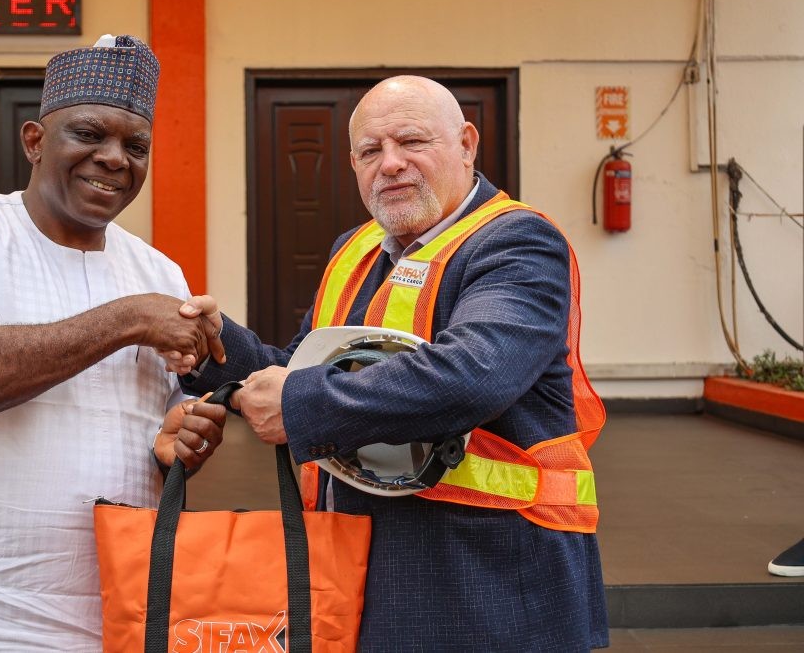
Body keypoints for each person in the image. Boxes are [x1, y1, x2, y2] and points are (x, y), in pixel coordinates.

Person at [172, 75, 609, 651]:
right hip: (364, 571)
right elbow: (302, 366)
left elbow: (476, 373)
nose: (391, 164)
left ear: (467, 145)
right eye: (370, 151)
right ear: (353, 165)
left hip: (490, 586)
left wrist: (298, 403)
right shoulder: (352, 249)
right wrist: (212, 345)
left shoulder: (517, 241)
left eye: (412, 142)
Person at [0, 35, 227, 651]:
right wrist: (129, 319)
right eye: (89, 135)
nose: (114, 158)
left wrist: (174, 445)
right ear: (35, 141)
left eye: (136, 146)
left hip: (124, 610)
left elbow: (155, 431)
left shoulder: (159, 273)